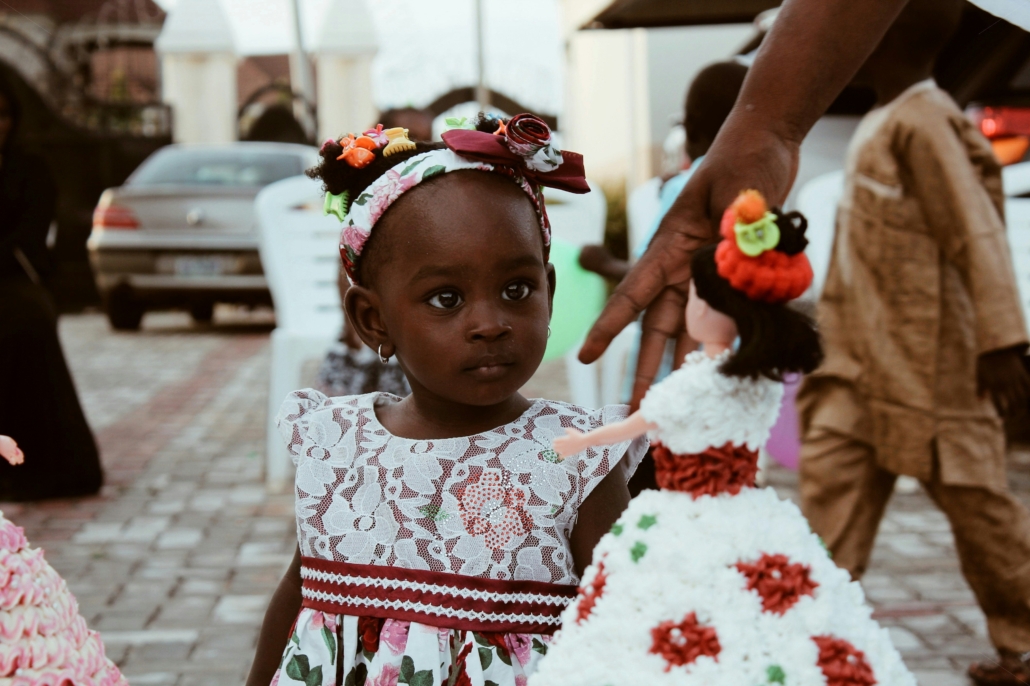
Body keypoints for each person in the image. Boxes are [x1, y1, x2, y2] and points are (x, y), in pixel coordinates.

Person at [245, 114, 648, 686]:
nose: (489, 323)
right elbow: (301, 592)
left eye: (516, 290)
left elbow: (629, 619)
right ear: (373, 319)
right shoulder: (336, 444)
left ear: (548, 292)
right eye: (446, 297)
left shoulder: (576, 457)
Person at [533, 193, 914, 686]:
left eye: (694, 295)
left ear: (716, 307)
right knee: (776, 608)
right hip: (754, 511)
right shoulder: (760, 380)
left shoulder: (699, 382)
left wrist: (581, 442)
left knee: (660, 607)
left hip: (682, 513)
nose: (689, 304)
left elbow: (635, 425)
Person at [795, 1, 1030, 684]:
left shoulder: (927, 123)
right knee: (829, 507)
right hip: (859, 365)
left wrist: (1001, 342)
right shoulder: (885, 119)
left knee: (982, 512)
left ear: (883, 40)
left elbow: (975, 232)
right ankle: (808, 636)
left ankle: (1023, 644)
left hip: (935, 370)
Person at [579, 0, 918, 407]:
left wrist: (601, 263)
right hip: (733, 379)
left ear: (691, 129)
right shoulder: (761, 201)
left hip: (668, 382)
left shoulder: (684, 190)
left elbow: (650, 274)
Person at [0, 75, 103, 501]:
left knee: (22, 341)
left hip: (15, 285)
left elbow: (30, 234)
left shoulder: (31, 169)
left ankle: (37, 468)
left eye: (3, 115)